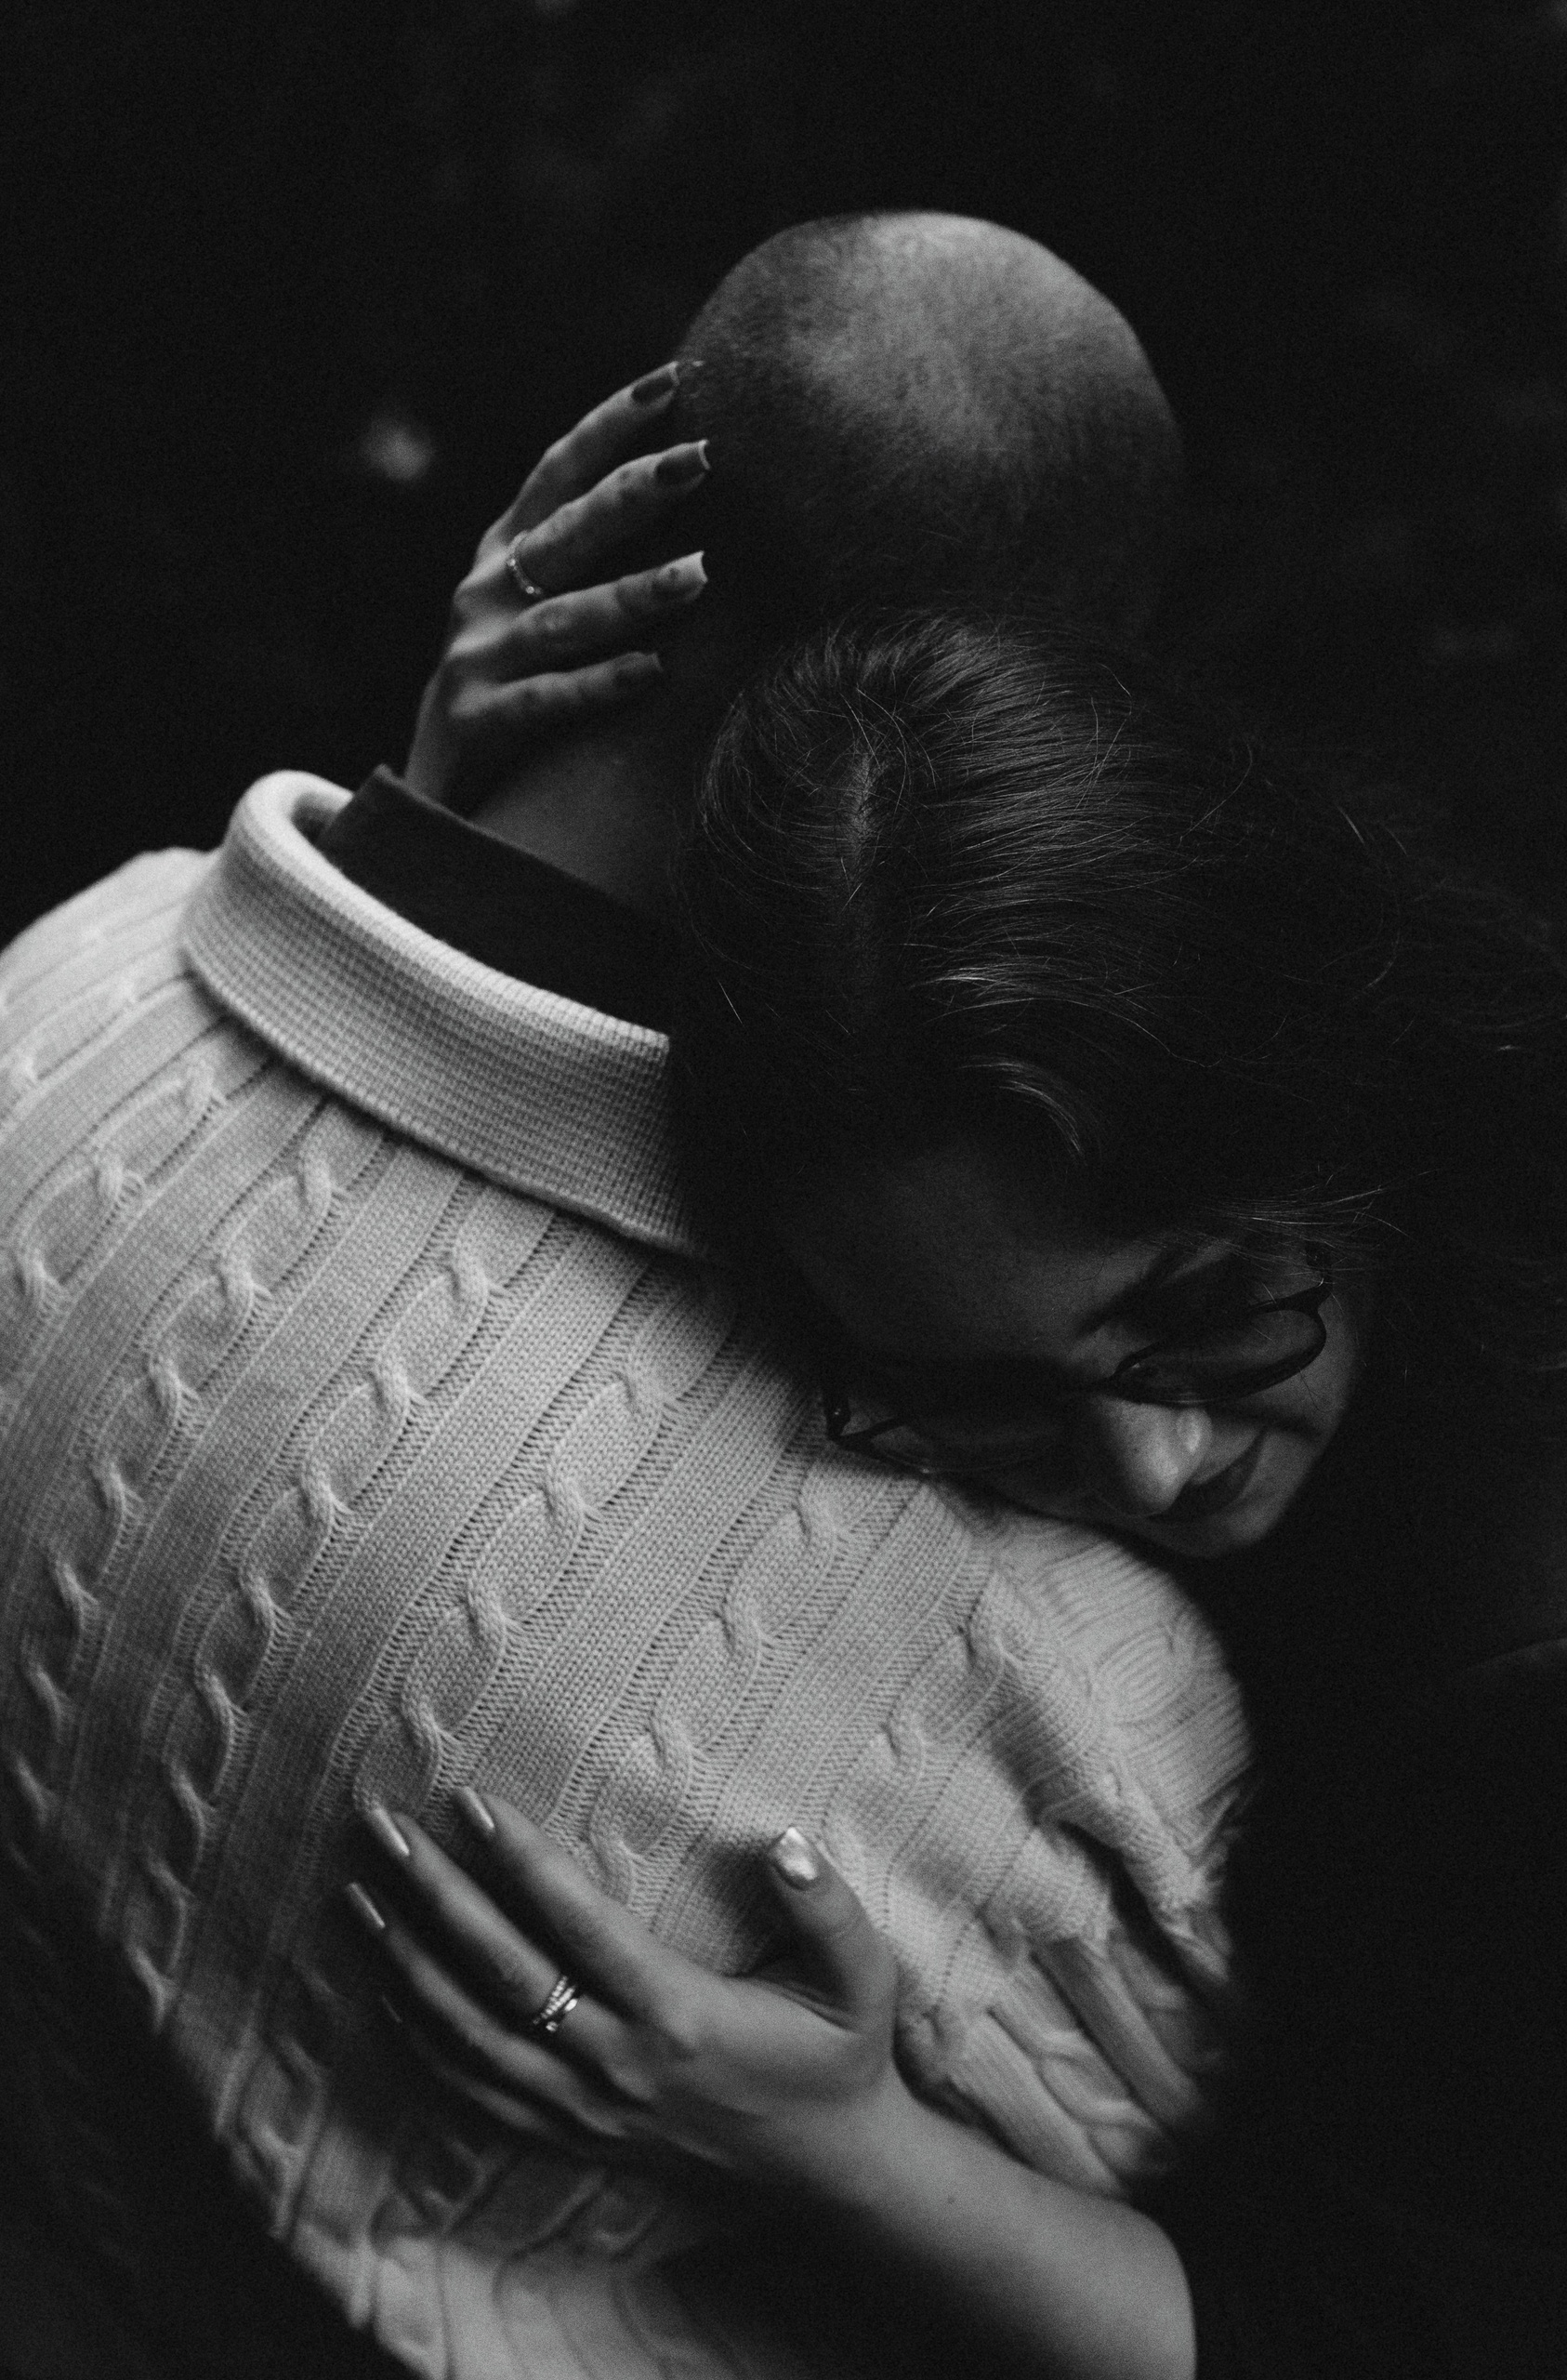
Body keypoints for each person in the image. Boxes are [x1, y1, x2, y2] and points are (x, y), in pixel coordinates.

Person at [0, 218, 1244, 2380]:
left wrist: (433, 814)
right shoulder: (1023, 1645)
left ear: (621, 487)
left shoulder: (57, 991)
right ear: (1019, 724)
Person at [344, 606, 1567, 2380]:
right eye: (981, 1395)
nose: (1149, 1466)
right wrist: (448, 823)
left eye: (1207, 1310)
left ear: (1332, 1096)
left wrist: (833, 2143)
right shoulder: (1436, 1093)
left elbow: (1364, 2347)